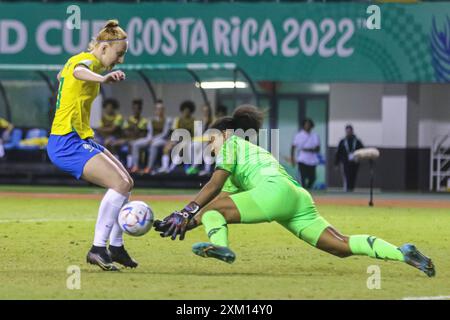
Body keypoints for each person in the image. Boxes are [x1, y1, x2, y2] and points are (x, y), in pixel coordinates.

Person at [154, 105, 435, 278]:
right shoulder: (249, 154)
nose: (209, 147)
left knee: (213, 210)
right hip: (296, 197)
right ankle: (402, 253)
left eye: (210, 141)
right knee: (340, 246)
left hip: (274, 193)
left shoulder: (231, 144)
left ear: (225, 135)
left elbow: (212, 187)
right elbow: (215, 204)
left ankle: (223, 248)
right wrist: (176, 223)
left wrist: (185, 210)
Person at [47, 20, 137, 271]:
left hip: (81, 138)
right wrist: (103, 78)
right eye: (119, 54)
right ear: (104, 47)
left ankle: (116, 247)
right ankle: (98, 248)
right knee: (119, 184)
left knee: (127, 183)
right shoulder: (85, 60)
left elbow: (64, 74)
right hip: (66, 141)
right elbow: (78, 71)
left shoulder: (84, 61)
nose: (120, 60)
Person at [156, 100, 196, 174]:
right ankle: (164, 167)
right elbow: (174, 132)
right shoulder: (178, 120)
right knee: (167, 147)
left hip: (189, 141)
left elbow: (195, 135)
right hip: (177, 140)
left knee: (181, 148)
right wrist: (171, 141)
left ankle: (171, 168)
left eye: (188, 111)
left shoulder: (194, 121)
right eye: (184, 111)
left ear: (190, 112)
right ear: (182, 111)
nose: (186, 113)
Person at [140, 100, 172, 174]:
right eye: (157, 109)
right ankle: (135, 166)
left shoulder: (168, 120)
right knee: (135, 144)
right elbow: (150, 132)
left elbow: (165, 133)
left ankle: (149, 167)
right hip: (151, 139)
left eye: (161, 109)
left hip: (163, 140)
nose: (159, 111)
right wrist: (150, 139)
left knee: (154, 145)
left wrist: (153, 139)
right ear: (155, 110)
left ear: (163, 110)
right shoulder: (151, 120)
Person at [185, 103, 215, 176]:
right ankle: (194, 167)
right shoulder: (200, 121)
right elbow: (197, 134)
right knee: (191, 145)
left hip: (211, 141)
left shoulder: (213, 120)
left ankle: (195, 167)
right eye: (204, 111)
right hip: (201, 140)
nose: (206, 112)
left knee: (205, 147)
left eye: (207, 111)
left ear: (209, 111)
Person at [291, 119, 320, 189]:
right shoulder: (299, 135)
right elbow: (293, 147)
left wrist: (308, 149)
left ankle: (308, 189)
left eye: (309, 124)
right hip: (302, 160)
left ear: (312, 126)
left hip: (312, 160)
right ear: (303, 125)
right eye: (306, 124)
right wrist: (292, 158)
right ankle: (303, 190)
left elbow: (318, 148)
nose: (308, 126)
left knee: (313, 178)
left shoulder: (315, 135)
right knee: (302, 178)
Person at [335, 125, 364, 192]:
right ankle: (347, 190)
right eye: (347, 131)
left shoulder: (357, 141)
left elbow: (362, 150)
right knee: (346, 176)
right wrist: (336, 163)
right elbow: (338, 152)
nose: (349, 132)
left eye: (350, 131)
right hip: (345, 162)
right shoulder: (342, 141)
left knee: (353, 176)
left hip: (355, 162)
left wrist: (358, 158)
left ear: (352, 131)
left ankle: (352, 189)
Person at [124, 99, 149, 172]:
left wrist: (133, 130)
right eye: (134, 108)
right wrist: (135, 131)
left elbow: (143, 134)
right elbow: (126, 132)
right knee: (129, 144)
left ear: (140, 110)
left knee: (135, 144)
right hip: (129, 140)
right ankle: (129, 166)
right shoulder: (128, 119)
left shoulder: (144, 120)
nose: (136, 111)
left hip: (139, 141)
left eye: (138, 109)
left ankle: (138, 166)